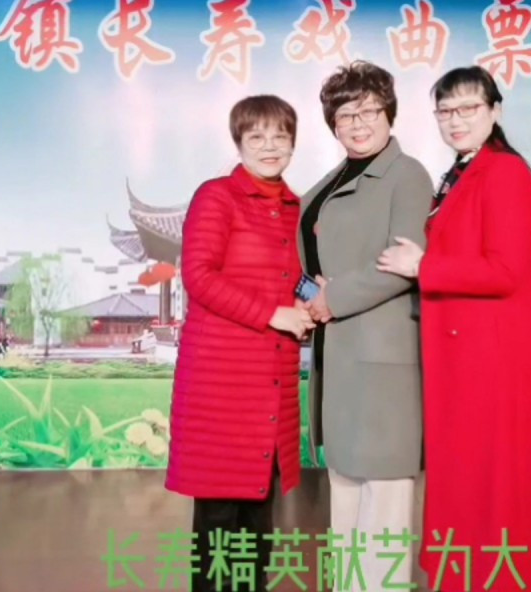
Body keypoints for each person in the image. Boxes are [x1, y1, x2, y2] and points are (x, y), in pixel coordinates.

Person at [377, 66, 531, 592]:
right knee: (469, 479)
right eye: (445, 111)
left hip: (490, 361)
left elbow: (506, 272)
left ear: (494, 110)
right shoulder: (464, 170)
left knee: (493, 481)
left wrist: (423, 266)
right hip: (466, 356)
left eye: (468, 109)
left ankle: (504, 578)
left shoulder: (503, 172)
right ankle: (473, 575)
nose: (455, 121)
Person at [166, 95, 315, 592]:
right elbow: (199, 276)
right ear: (239, 142)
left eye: (280, 136)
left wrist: (314, 303)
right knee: (217, 524)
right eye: (257, 137)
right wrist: (274, 314)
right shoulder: (217, 197)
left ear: (293, 142)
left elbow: (295, 281)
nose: (270, 146)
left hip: (270, 387)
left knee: (257, 524)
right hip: (221, 387)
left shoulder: (295, 208)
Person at [298, 61, 433, 591]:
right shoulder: (331, 181)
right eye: (346, 115)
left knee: (386, 505)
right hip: (340, 357)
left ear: (389, 113)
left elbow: (403, 262)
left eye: (369, 111)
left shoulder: (407, 175)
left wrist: (331, 299)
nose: (358, 124)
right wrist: (311, 298)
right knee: (347, 500)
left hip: (384, 361)